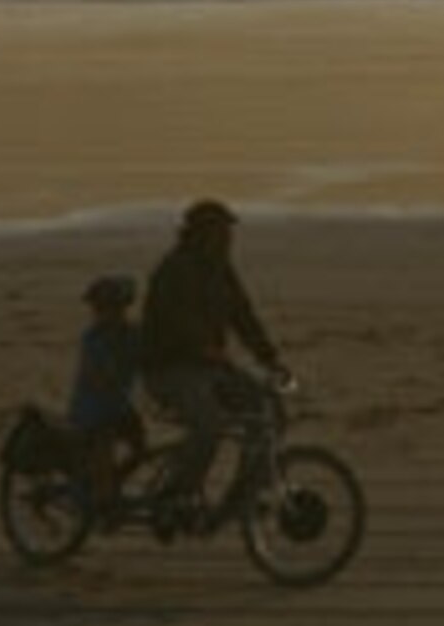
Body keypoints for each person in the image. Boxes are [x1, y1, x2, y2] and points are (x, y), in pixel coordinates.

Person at [137, 198, 286, 524]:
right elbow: (179, 322)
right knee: (210, 425)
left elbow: (243, 316)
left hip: (209, 367)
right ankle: (176, 496)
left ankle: (248, 490)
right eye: (223, 232)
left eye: (229, 232)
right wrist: (205, 348)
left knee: (268, 406)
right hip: (169, 370)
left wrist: (270, 358)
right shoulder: (174, 269)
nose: (229, 239)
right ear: (202, 234)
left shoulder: (221, 269)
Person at [64, 273, 146, 516]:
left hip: (119, 406)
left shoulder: (132, 334)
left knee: (141, 448)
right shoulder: (94, 339)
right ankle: (102, 498)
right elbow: (96, 377)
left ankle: (111, 484)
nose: (106, 314)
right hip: (92, 411)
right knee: (104, 443)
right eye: (102, 309)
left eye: (113, 308)